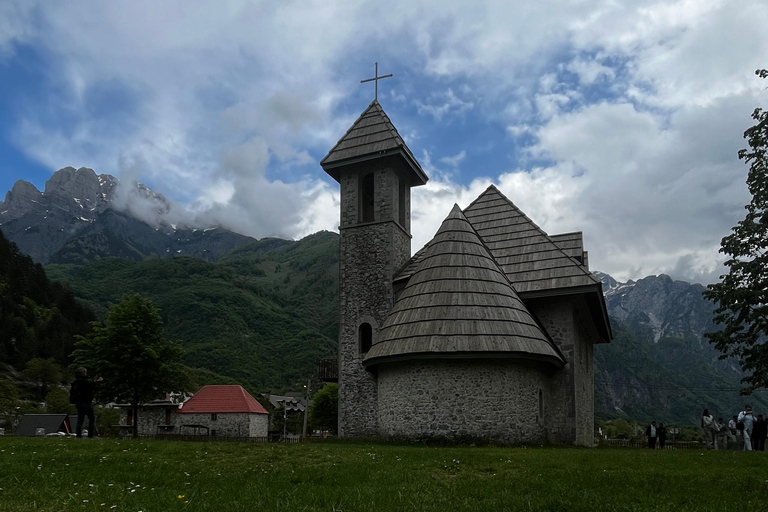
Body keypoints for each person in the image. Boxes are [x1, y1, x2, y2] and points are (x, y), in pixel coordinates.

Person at [71, 367, 102, 438]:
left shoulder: (75, 383)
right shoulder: (87, 382)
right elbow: (95, 387)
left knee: (80, 419)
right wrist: (99, 382)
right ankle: (90, 435)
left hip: (79, 403)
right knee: (91, 419)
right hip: (87, 402)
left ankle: (78, 435)